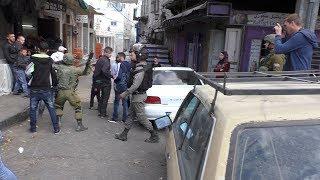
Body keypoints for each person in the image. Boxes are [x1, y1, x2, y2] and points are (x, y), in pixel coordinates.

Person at [115, 44, 159, 143]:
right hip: (137, 96)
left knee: (142, 117)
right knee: (130, 116)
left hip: (138, 97)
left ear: (139, 55)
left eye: (132, 54)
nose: (130, 56)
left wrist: (124, 94)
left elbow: (135, 85)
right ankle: (124, 134)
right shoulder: (141, 66)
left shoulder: (140, 69)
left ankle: (154, 135)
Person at [54, 53, 93, 132]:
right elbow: (86, 72)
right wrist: (88, 64)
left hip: (60, 92)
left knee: (58, 106)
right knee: (78, 107)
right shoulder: (75, 70)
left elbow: (53, 65)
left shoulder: (59, 68)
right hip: (71, 92)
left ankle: (58, 122)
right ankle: (79, 125)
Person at [28, 41, 60, 134]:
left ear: (38, 49)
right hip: (46, 88)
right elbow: (53, 74)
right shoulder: (50, 60)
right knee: (51, 108)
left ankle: (33, 129)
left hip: (34, 88)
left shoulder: (33, 59)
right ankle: (56, 129)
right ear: (47, 50)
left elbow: (28, 72)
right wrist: (55, 85)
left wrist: (33, 76)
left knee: (33, 108)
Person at [93, 47, 113, 118]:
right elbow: (105, 70)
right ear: (106, 52)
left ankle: (100, 111)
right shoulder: (106, 60)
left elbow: (95, 71)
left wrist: (95, 82)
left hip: (98, 81)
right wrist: (111, 75)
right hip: (105, 81)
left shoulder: (100, 59)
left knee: (101, 97)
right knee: (105, 97)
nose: (111, 55)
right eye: (110, 53)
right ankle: (102, 113)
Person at [111, 52, 131, 123]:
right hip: (126, 86)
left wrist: (114, 79)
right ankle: (125, 119)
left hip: (119, 85)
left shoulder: (120, 64)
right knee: (125, 102)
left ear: (121, 57)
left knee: (116, 101)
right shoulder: (129, 64)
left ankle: (115, 118)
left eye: (118, 57)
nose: (117, 58)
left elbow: (118, 76)